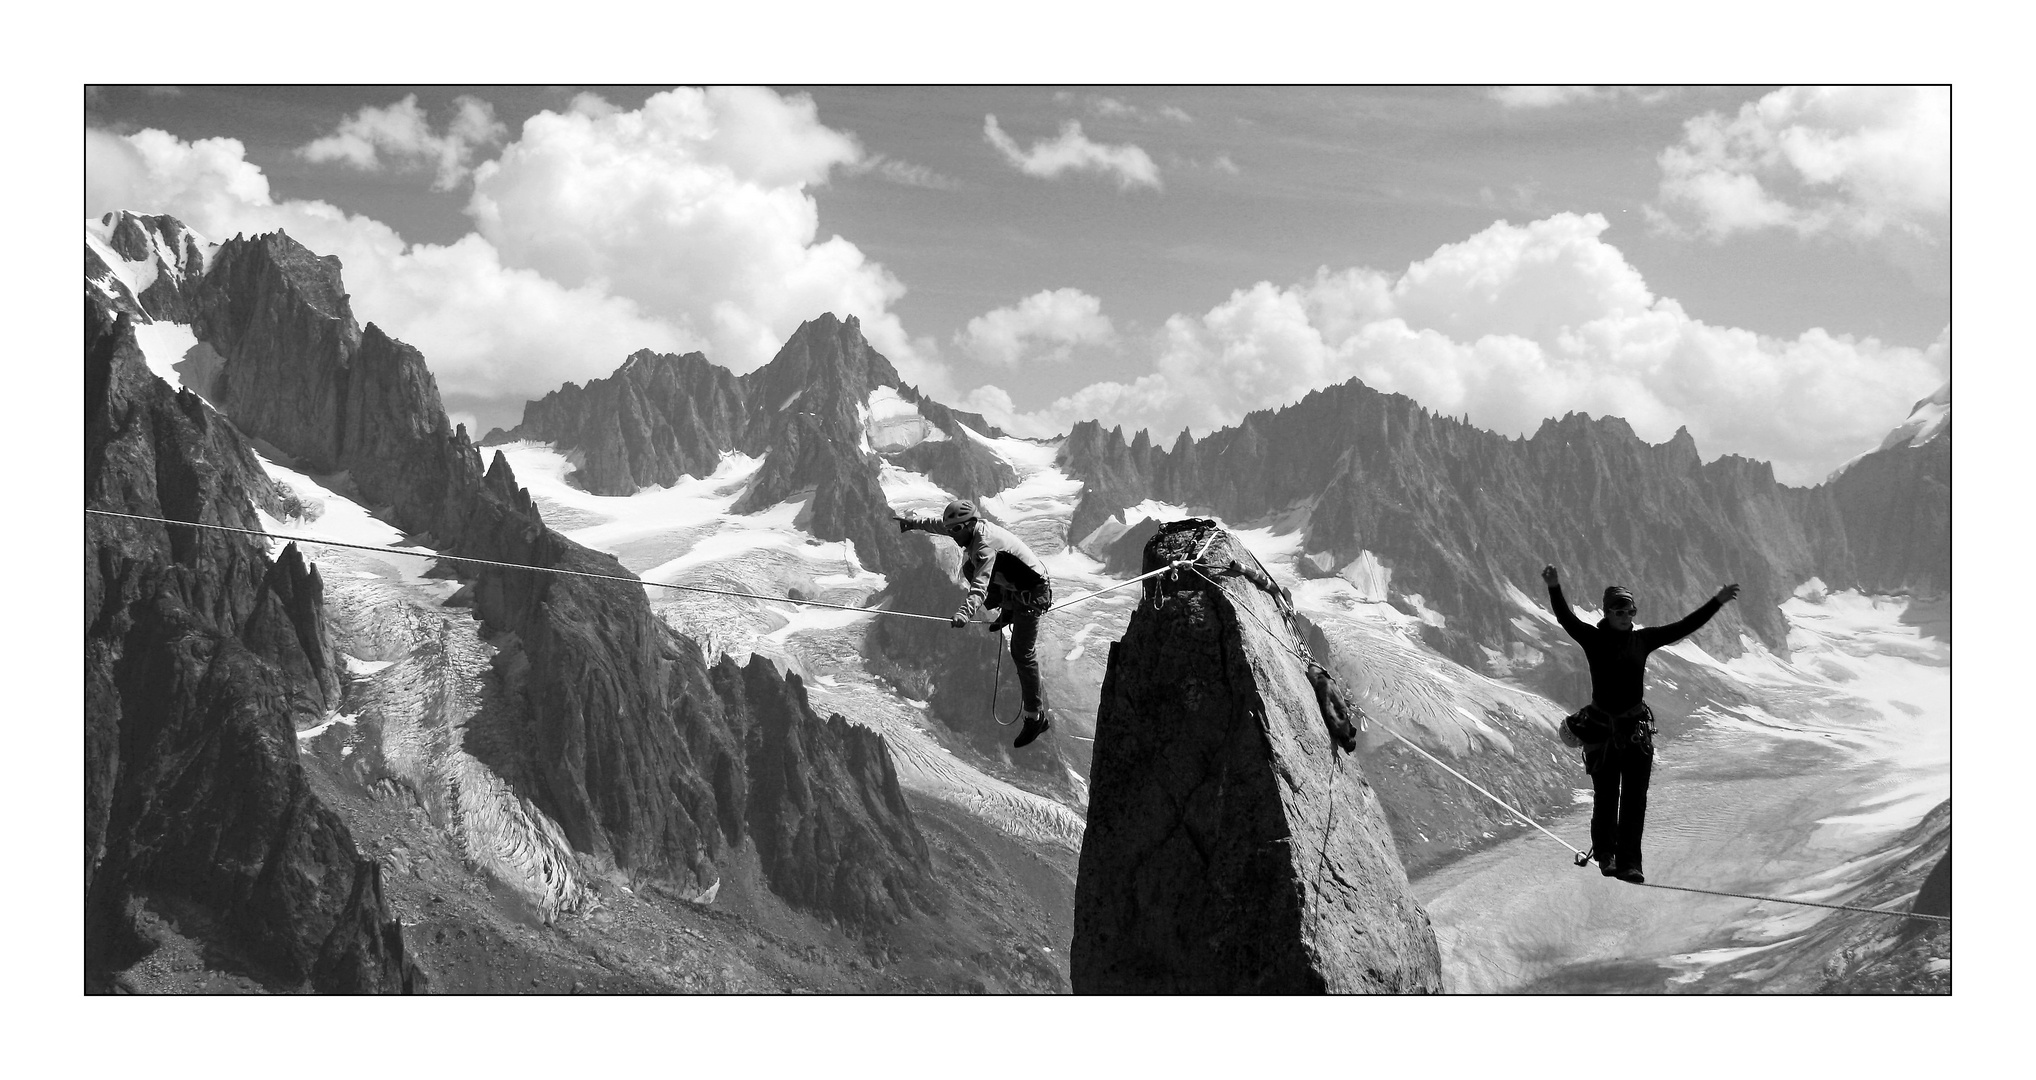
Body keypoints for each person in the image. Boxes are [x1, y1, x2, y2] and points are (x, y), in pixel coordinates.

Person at [1542, 564, 1740, 884]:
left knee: (1635, 799)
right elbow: (1566, 619)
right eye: (1619, 610)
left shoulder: (1643, 639)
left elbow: (1684, 626)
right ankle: (1606, 855)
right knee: (1607, 796)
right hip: (1604, 730)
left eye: (1630, 610)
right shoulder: (1593, 639)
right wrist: (1554, 586)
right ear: (1606, 612)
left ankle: (1630, 863)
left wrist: (1717, 601)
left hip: (1634, 730)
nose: (1625, 615)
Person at [898, 500, 1056, 747]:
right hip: (1020, 587)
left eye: (955, 530)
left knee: (1022, 652)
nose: (952, 535)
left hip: (1034, 594)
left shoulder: (984, 546)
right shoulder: (971, 528)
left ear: (968, 525)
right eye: (951, 530)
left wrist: (965, 612)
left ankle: (1035, 716)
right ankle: (1009, 607)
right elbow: (940, 525)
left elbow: (980, 587)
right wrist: (913, 523)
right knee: (968, 568)